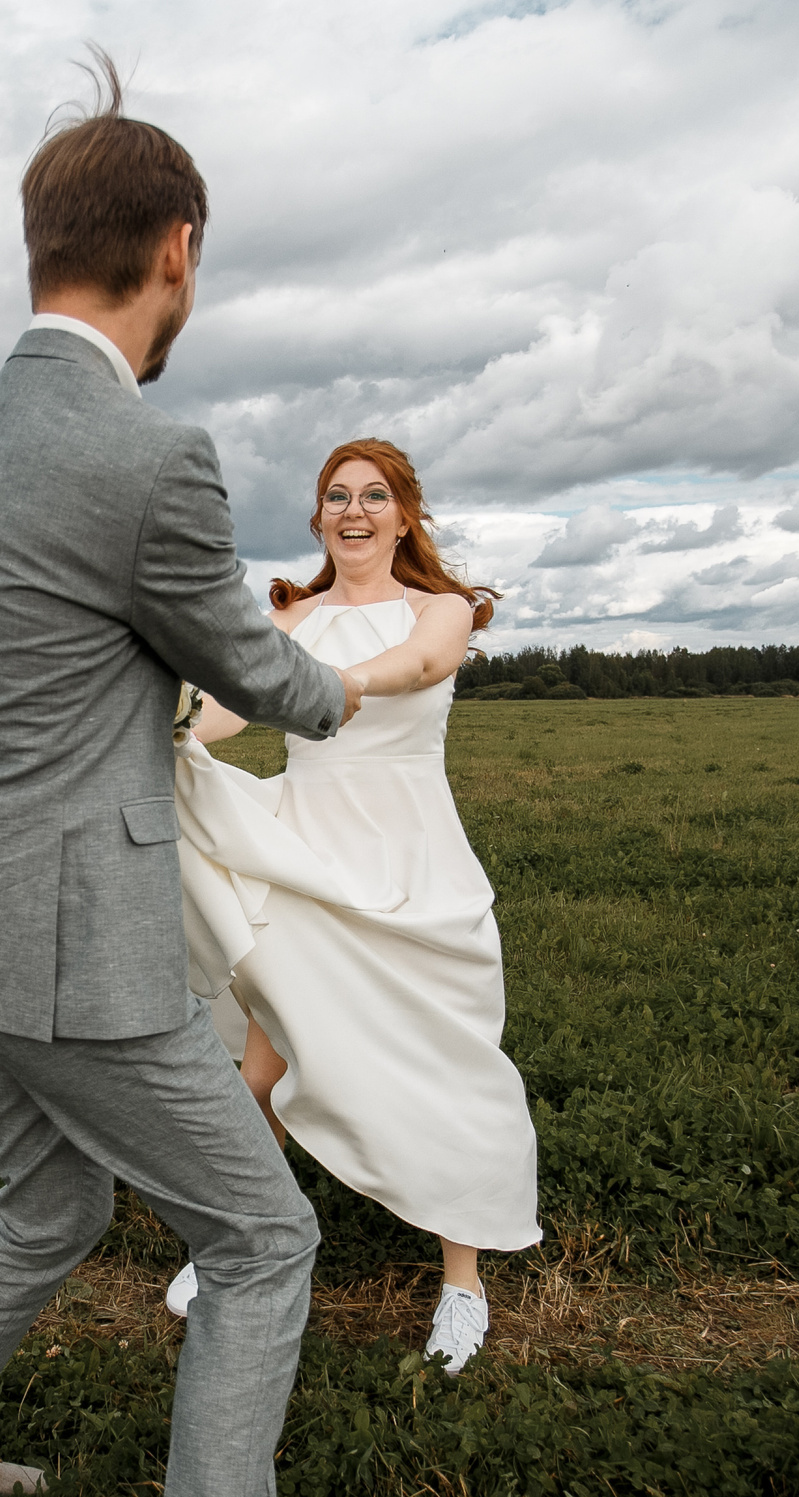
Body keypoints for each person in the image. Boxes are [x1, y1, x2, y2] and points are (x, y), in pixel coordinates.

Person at [0, 56, 406, 1497]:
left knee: (50, 1202)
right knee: (261, 1241)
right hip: (66, 945)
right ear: (171, 249)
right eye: (197, 263)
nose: (193, 289)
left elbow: (78, 649)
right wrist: (360, 656)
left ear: (42, 246)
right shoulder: (151, 453)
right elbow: (259, 670)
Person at [168, 438, 543, 1374]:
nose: (355, 510)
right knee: (260, 1072)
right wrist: (175, 719)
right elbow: (230, 710)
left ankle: (463, 1277)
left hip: (411, 855)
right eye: (337, 495)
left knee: (444, 1062)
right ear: (318, 516)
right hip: (303, 852)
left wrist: (335, 686)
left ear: (404, 514)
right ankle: (237, 1248)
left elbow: (417, 666)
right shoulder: (289, 616)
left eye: (375, 495)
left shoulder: (440, 610)